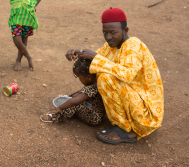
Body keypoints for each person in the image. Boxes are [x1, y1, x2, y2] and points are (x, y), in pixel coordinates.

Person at [66, 8, 164, 144]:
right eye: (104, 33)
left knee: (106, 78)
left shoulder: (133, 46)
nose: (108, 37)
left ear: (125, 30)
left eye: (113, 32)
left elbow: (127, 74)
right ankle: (122, 122)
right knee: (103, 70)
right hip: (134, 101)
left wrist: (96, 59)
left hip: (146, 114)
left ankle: (125, 130)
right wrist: (80, 52)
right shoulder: (112, 45)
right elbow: (99, 57)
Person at [4, 0, 44, 71]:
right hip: (16, 15)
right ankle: (29, 56)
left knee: (24, 39)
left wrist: (35, 6)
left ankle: (18, 60)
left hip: (28, 15)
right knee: (17, 39)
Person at [40, 58, 106, 126]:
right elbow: (80, 93)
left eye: (80, 78)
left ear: (88, 77)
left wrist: (59, 108)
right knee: (74, 97)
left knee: (74, 103)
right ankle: (68, 105)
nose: (80, 80)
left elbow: (75, 101)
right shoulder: (95, 82)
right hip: (89, 107)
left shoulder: (93, 88)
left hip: (95, 117)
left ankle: (55, 116)